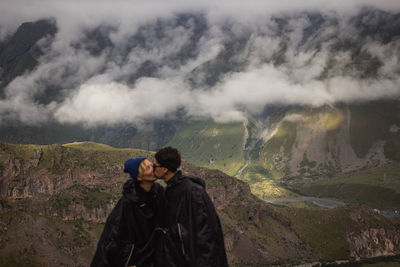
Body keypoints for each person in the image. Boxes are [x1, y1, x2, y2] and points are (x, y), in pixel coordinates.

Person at [153, 147, 228, 267]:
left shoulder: (192, 192)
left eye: (154, 165)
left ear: (165, 169)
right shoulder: (169, 192)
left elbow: (206, 235)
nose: (152, 168)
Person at [91, 157, 164, 267]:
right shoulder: (127, 204)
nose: (153, 168)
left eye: (151, 164)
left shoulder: (159, 193)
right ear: (139, 177)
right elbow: (111, 238)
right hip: (137, 261)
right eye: (148, 167)